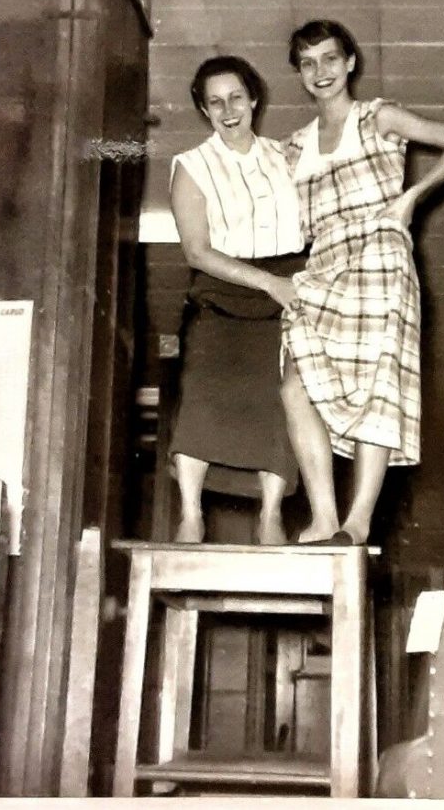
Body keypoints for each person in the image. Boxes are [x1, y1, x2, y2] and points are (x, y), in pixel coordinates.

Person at [279, 20, 444, 545]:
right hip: (324, 263)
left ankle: (357, 520)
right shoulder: (292, 148)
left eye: (330, 59)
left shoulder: (379, 118)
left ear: (349, 62)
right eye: (308, 63)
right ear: (299, 74)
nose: (320, 72)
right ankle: (324, 515)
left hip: (380, 253)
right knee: (294, 383)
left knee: (377, 382)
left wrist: (412, 197)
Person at [168, 55, 304, 545]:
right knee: (201, 396)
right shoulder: (190, 166)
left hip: (287, 290)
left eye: (236, 98)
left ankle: (271, 517)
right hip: (221, 293)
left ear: (255, 100)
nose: (228, 109)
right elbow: (197, 252)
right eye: (215, 102)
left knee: (281, 405)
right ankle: (190, 515)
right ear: (205, 111)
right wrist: (266, 283)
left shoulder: (289, 155)